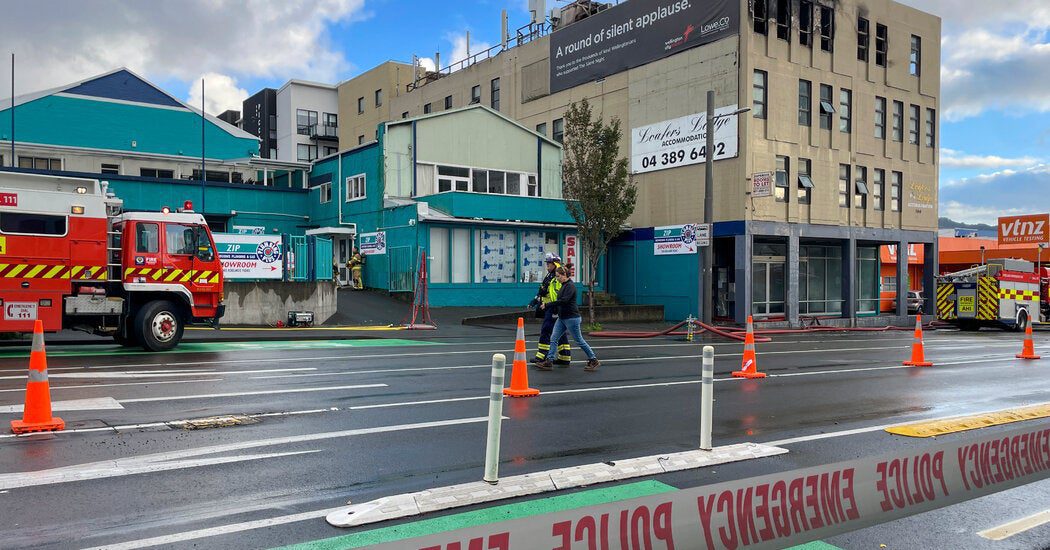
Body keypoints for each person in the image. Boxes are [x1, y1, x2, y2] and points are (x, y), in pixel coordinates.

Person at [536, 266, 600, 372]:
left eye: (558, 276)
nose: (557, 279)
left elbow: (564, 301)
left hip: (571, 318)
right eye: (556, 276)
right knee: (554, 338)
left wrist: (548, 305)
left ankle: (593, 359)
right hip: (562, 317)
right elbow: (560, 300)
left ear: (564, 275)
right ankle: (549, 361)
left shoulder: (570, 286)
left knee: (579, 340)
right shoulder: (563, 285)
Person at [530, 253, 572, 365]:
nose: (547, 265)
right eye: (547, 263)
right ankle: (564, 357)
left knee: (546, 330)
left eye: (549, 263)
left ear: (555, 264)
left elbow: (557, 294)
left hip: (553, 308)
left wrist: (554, 308)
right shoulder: (550, 276)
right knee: (560, 332)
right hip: (550, 307)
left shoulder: (556, 278)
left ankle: (542, 356)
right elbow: (543, 290)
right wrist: (535, 300)